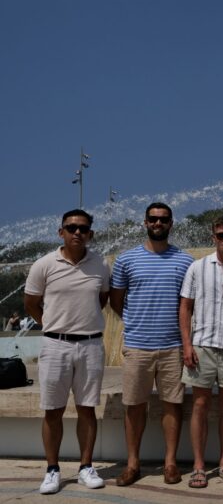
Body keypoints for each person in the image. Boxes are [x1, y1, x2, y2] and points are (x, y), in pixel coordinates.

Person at [24, 209, 110, 494]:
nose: (77, 233)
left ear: (91, 234)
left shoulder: (100, 264)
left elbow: (102, 298)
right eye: (71, 227)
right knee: (53, 410)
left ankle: (86, 466)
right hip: (55, 344)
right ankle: (52, 469)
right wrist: (50, 324)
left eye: (83, 229)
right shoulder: (44, 264)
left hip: (90, 344)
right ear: (60, 231)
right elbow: (31, 302)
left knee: (87, 408)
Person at [110, 202, 194, 486]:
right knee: (134, 406)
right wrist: (135, 322)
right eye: (153, 219)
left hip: (173, 346)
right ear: (145, 223)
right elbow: (116, 300)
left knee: (173, 405)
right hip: (137, 346)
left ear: (171, 224)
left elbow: (188, 304)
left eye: (164, 219)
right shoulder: (126, 260)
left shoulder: (185, 261)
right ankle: (133, 463)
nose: (158, 223)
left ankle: (170, 463)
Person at [179, 216, 223, 488]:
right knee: (199, 405)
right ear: (213, 237)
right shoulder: (198, 267)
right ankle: (198, 465)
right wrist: (186, 345)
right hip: (202, 345)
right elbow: (185, 307)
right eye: (220, 235)